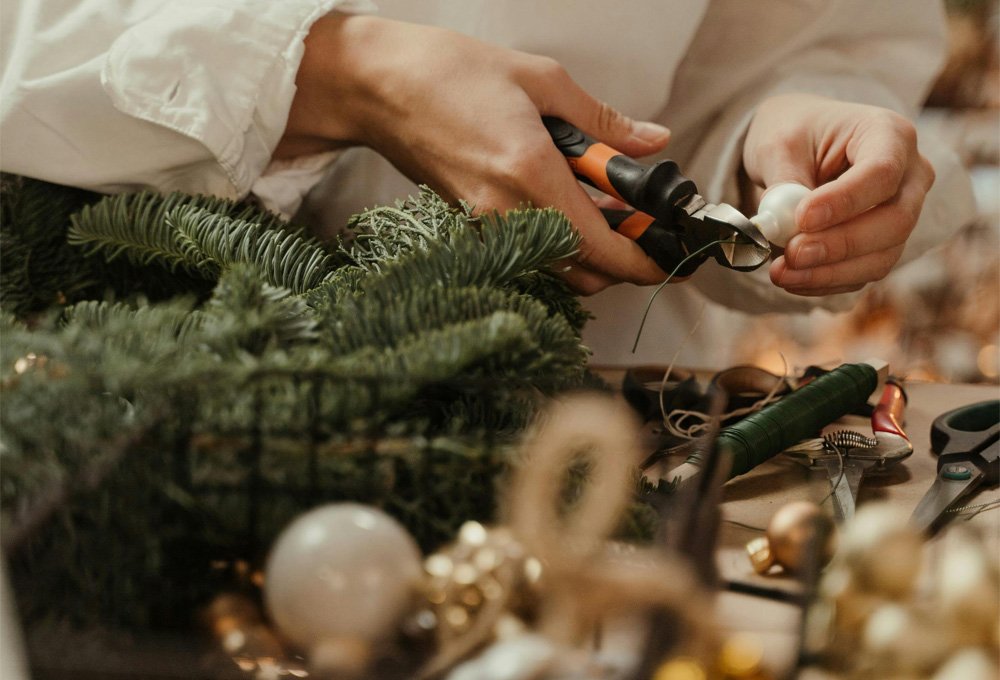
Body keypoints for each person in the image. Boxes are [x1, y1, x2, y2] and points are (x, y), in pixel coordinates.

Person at [1, 1, 975, 365]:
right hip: (92, 407)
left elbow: (796, 46)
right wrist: (333, 70)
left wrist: (777, 134)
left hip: (569, 448)